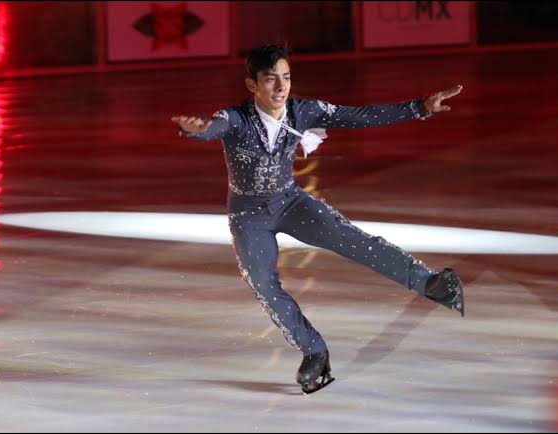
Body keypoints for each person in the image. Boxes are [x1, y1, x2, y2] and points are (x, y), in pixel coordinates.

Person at [171, 44, 464, 394]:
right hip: (249, 215)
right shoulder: (237, 119)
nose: (281, 87)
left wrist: (420, 108)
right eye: (270, 80)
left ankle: (430, 283)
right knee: (262, 282)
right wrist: (196, 129)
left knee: (352, 238)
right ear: (252, 85)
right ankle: (314, 352)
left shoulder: (303, 111)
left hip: (290, 202)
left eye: (286, 77)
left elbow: (360, 116)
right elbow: (213, 127)